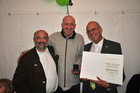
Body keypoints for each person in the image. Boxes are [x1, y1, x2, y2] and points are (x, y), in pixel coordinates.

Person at [81, 21, 125, 93]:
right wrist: (82, 74)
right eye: (88, 31)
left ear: (100, 29)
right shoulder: (85, 48)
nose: (91, 33)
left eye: (93, 29)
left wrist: (108, 85)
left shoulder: (114, 47)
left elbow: (120, 75)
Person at [49, 15, 85, 92]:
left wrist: (77, 64)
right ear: (62, 25)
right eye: (66, 24)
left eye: (71, 24)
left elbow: (82, 55)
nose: (69, 27)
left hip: (74, 83)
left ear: (75, 26)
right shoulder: (53, 37)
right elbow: (41, 47)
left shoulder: (80, 38)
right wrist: (25, 52)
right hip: (57, 83)